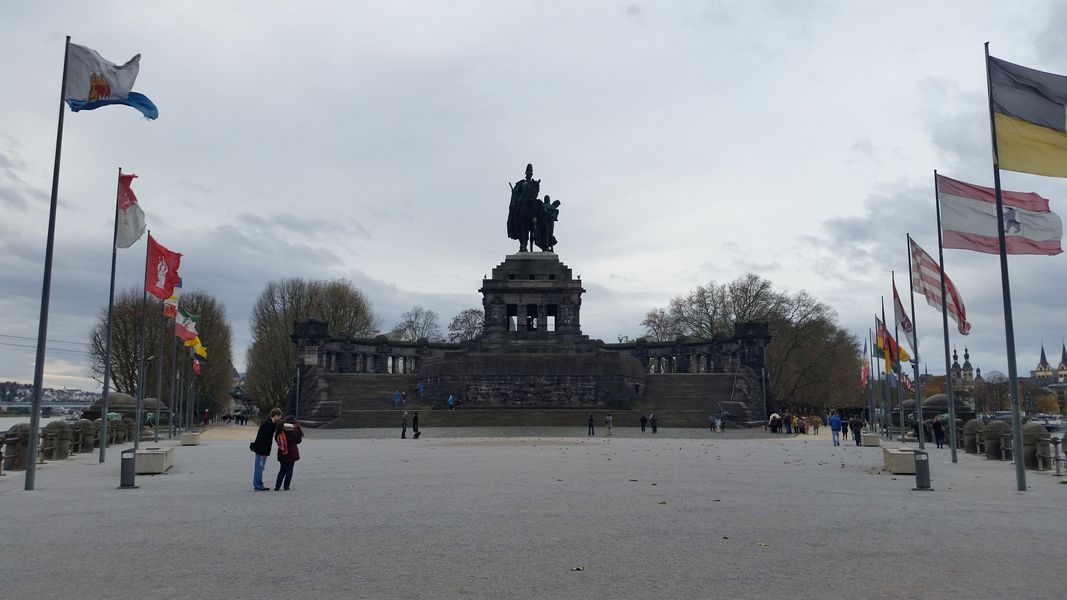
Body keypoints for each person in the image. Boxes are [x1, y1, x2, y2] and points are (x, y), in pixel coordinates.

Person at [507, 163, 542, 252]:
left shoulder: (534, 183)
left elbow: (536, 194)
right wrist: (514, 192)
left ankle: (538, 232)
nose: (529, 174)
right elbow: (516, 193)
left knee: (538, 210)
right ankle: (523, 245)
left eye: (531, 172)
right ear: (526, 173)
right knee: (520, 223)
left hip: (531, 204)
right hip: (522, 205)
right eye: (528, 172)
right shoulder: (521, 183)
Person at [251, 408, 282, 491]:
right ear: (276, 416)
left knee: (259, 467)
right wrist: (265, 453)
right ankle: (258, 485)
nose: (280, 419)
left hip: (260, 448)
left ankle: (258, 484)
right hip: (262, 450)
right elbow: (265, 440)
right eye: (279, 417)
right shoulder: (268, 424)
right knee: (259, 468)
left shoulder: (269, 422)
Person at [274, 416, 303, 491]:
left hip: (282, 451)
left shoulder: (280, 427)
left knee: (282, 469)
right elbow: (299, 441)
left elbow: (276, 438)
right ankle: (286, 486)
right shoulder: (296, 429)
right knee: (290, 469)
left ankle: (277, 486)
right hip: (292, 451)